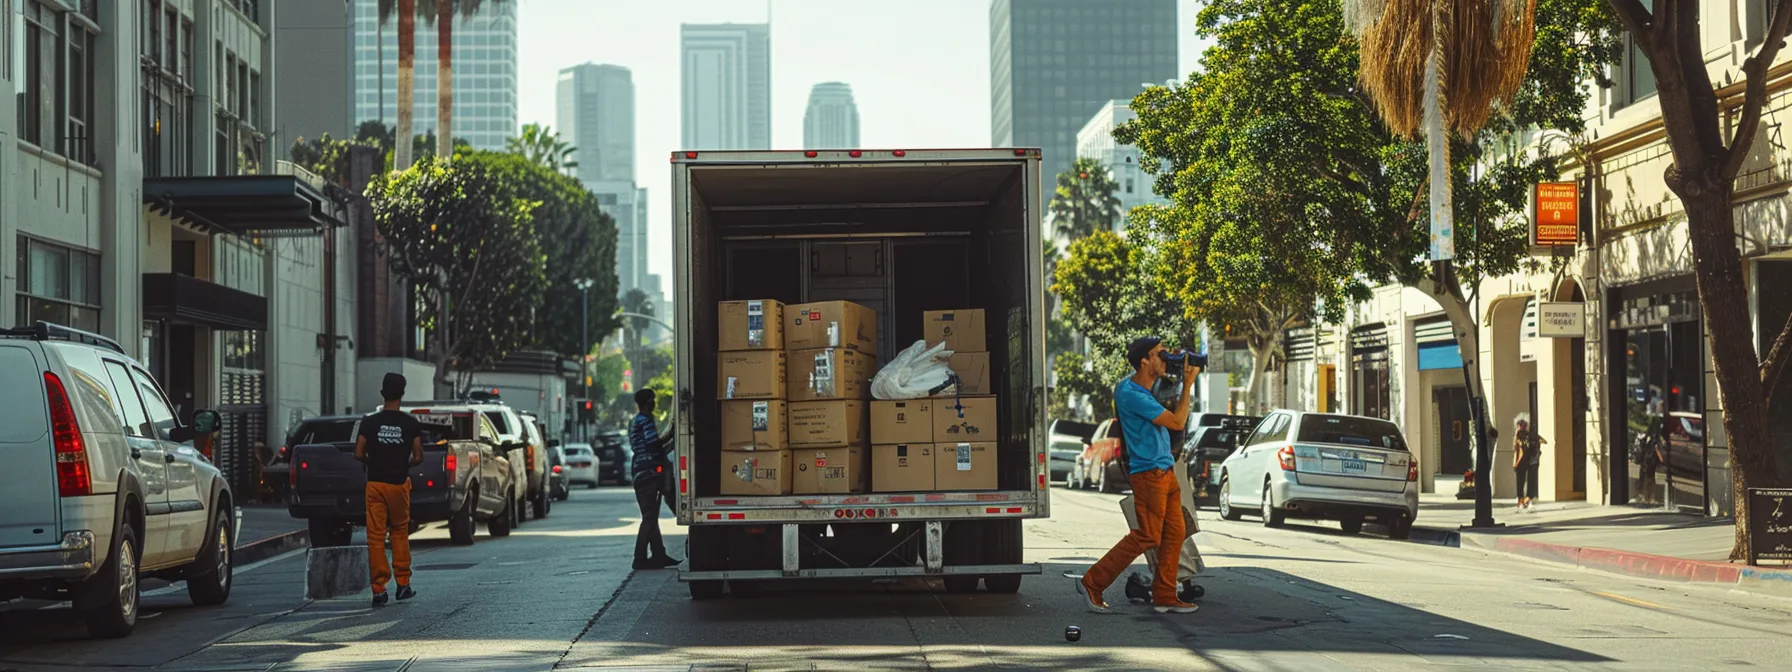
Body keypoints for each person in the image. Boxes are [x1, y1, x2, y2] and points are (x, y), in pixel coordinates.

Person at [1078, 336, 1200, 615]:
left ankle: (1166, 594)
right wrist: (1189, 384)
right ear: (1144, 360)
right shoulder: (1130, 393)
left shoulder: (1143, 390)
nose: (1164, 358)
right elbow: (1178, 421)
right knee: (1147, 535)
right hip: (1149, 473)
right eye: (1159, 354)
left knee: (1175, 532)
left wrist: (1179, 374)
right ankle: (1092, 582)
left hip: (1165, 470)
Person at [355, 372, 424, 607]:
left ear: (383, 393)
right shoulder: (410, 423)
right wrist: (403, 464)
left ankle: (378, 589)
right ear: (402, 394)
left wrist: (373, 462)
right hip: (398, 484)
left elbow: (358, 453)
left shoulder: (369, 422)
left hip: (374, 484)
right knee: (399, 532)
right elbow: (418, 456)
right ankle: (403, 584)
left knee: (375, 537)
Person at [630, 388, 680, 570]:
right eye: (652, 400)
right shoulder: (646, 421)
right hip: (649, 473)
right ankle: (640, 557)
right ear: (647, 402)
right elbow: (653, 445)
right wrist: (672, 438)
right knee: (649, 517)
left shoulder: (635, 421)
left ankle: (659, 554)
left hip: (639, 472)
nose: (654, 403)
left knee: (651, 516)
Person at [1512, 413, 1547, 510]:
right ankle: (1520, 500)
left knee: (1531, 481)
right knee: (1520, 481)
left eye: (1524, 424)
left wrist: (1536, 441)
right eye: (1520, 424)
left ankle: (1528, 499)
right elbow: (1515, 447)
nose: (1522, 427)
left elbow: (1543, 441)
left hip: (1531, 461)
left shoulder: (1531, 435)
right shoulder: (1517, 437)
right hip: (1520, 462)